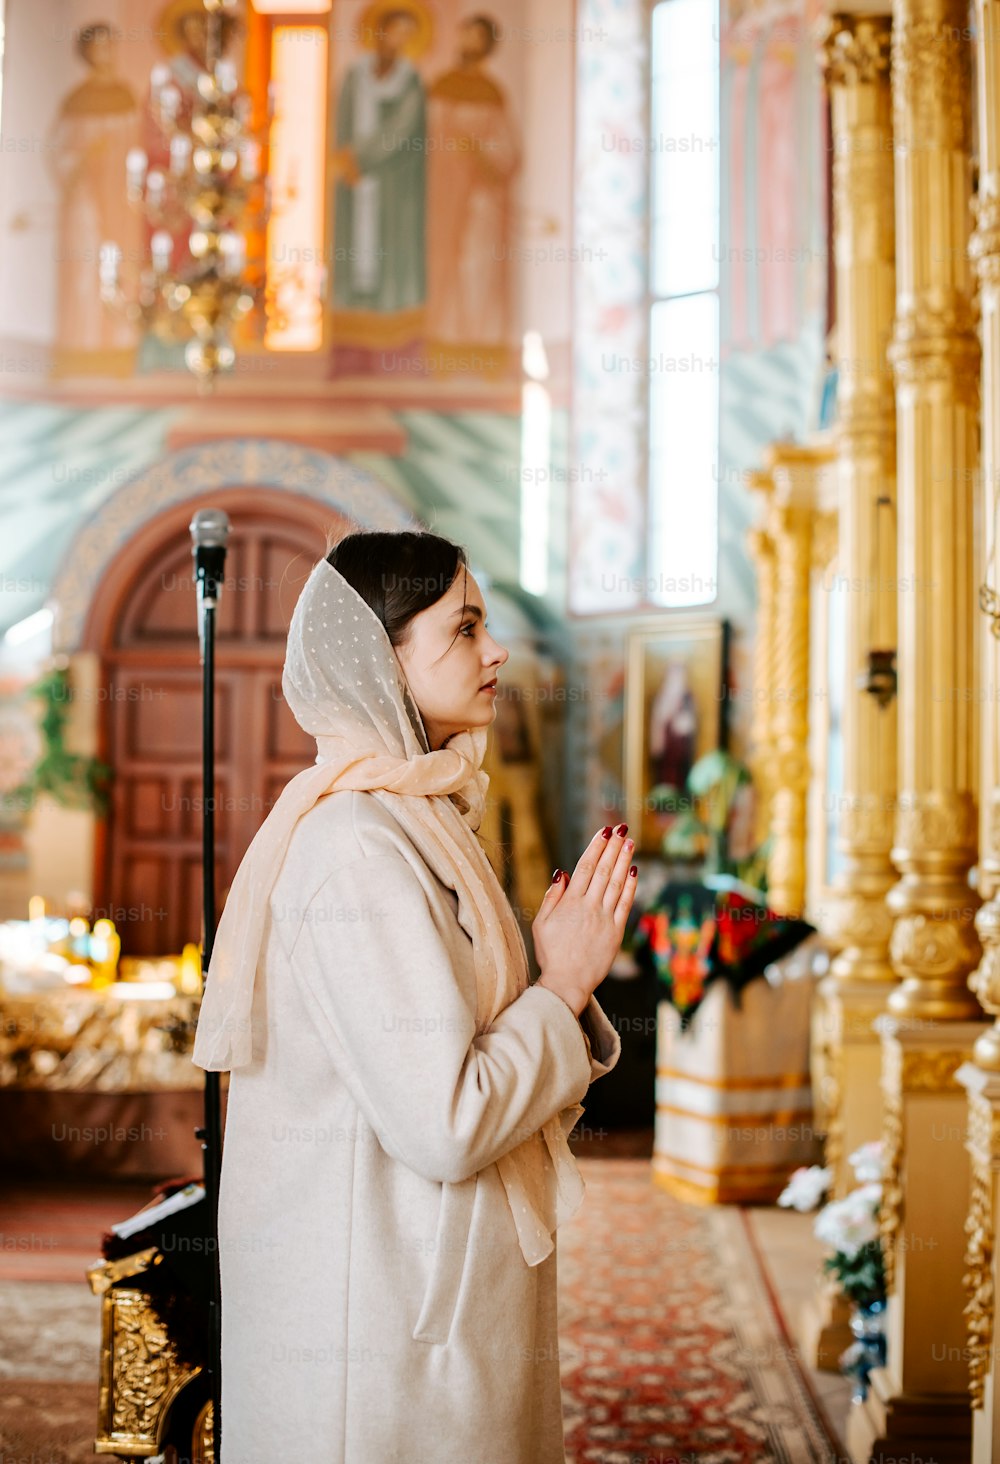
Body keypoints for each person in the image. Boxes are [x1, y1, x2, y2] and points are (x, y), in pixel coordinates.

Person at [192, 530, 636, 1462]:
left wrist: (561, 984)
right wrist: (561, 983)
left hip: (423, 1288)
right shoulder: (356, 845)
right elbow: (445, 1121)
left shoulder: (412, 812)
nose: (497, 651)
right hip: (379, 1330)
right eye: (465, 628)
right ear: (382, 660)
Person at [426, 13, 520, 375]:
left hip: (481, 199)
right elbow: (428, 143)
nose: (468, 43)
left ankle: (482, 347)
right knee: (446, 267)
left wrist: (479, 153)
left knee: (478, 267)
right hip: (444, 197)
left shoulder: (492, 94)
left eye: (477, 38)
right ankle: (445, 347)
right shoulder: (441, 86)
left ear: (486, 46)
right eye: (464, 35)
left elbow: (509, 151)